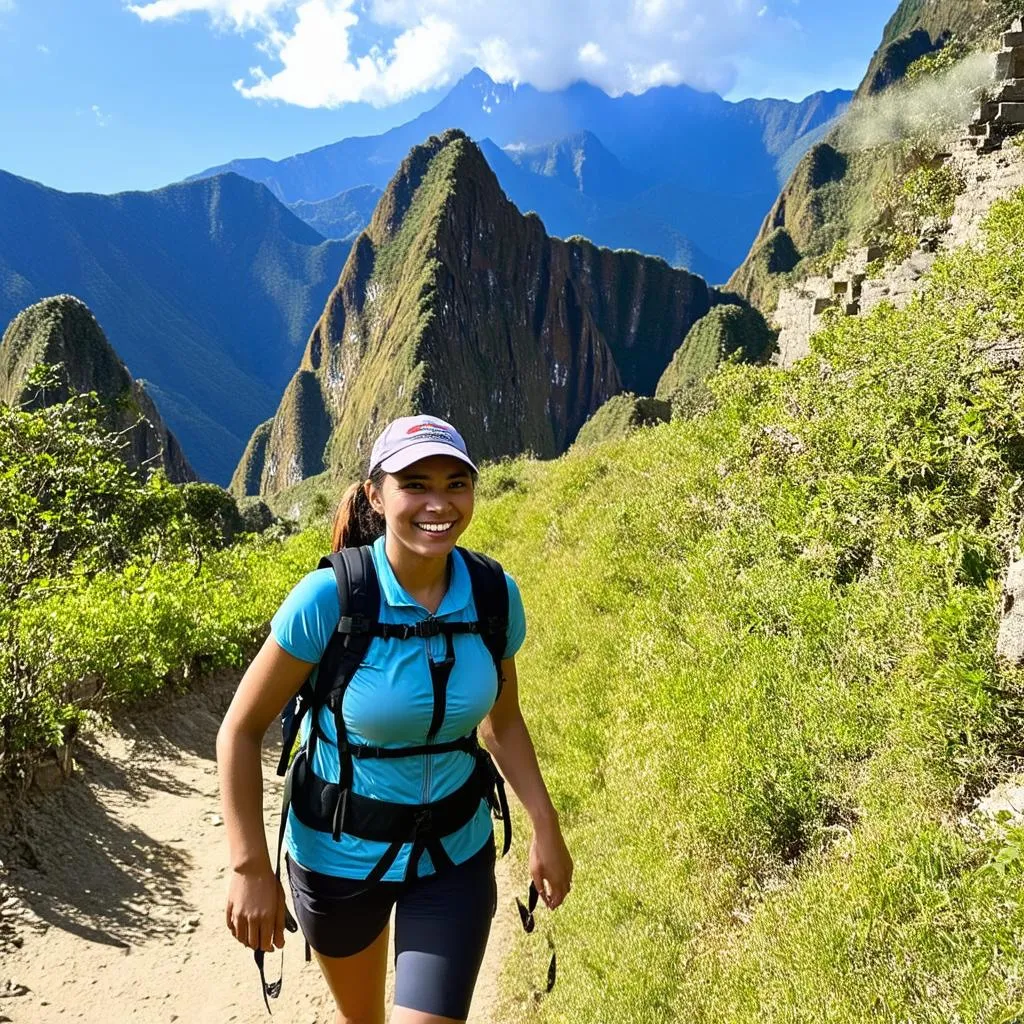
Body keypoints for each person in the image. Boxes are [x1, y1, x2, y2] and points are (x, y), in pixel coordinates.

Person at [216, 414, 574, 1024]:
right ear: (377, 496)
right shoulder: (329, 599)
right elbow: (240, 730)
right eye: (416, 484)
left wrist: (545, 824)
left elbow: (502, 722)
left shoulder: (493, 595)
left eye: (456, 483)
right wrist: (250, 867)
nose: (439, 503)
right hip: (339, 857)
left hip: (454, 854)